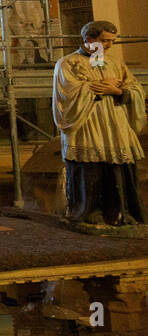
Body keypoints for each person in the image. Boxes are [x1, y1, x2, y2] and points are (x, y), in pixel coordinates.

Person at [52, 20, 146, 227]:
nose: (109, 46)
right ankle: (89, 213)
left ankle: (121, 212)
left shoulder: (114, 63)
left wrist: (119, 91)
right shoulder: (67, 63)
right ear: (89, 39)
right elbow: (66, 93)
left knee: (119, 168)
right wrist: (93, 88)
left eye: (112, 41)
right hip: (88, 123)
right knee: (90, 168)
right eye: (104, 41)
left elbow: (134, 87)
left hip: (115, 123)